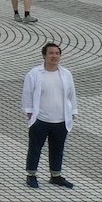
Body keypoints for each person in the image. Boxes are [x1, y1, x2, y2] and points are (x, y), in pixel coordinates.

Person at [22, 42, 76, 190]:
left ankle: (56, 176)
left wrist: (72, 113)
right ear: (44, 55)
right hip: (41, 120)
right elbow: (27, 93)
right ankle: (31, 175)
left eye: (57, 53)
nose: (54, 56)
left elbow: (71, 95)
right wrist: (29, 112)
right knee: (35, 148)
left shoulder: (66, 74)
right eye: (51, 53)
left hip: (61, 120)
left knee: (58, 149)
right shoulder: (34, 74)